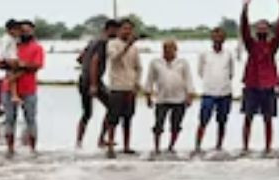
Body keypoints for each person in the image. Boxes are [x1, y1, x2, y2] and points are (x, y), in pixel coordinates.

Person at [240, 0, 279, 154]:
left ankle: (268, 148)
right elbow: (244, 29)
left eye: (264, 26)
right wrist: (245, 7)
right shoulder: (251, 45)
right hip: (252, 85)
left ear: (268, 30)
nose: (261, 28)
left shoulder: (272, 45)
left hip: (268, 86)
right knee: (248, 117)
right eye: (258, 26)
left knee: (268, 119)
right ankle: (245, 147)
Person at [0, 20, 44, 154]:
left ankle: (33, 148)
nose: (24, 33)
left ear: (32, 32)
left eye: (27, 30)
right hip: (8, 88)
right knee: (9, 119)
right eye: (22, 30)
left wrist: (20, 66)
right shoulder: (12, 44)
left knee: (30, 119)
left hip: (28, 89)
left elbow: (36, 66)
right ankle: (10, 148)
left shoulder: (37, 48)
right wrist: (17, 65)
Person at [144, 39, 194, 155]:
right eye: (165, 48)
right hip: (162, 99)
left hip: (179, 99)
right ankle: (156, 147)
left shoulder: (183, 62)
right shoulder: (155, 62)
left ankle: (171, 146)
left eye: (171, 48)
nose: (167, 51)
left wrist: (190, 95)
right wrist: (148, 95)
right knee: (158, 124)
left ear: (176, 50)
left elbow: (188, 79)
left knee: (176, 125)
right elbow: (149, 80)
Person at [102, 19, 142, 156]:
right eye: (125, 29)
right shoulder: (112, 44)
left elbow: (138, 67)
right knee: (113, 119)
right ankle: (110, 146)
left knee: (128, 118)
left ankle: (126, 146)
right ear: (119, 30)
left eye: (130, 29)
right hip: (116, 87)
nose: (127, 31)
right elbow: (114, 58)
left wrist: (137, 84)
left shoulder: (135, 49)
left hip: (130, 87)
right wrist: (127, 46)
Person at [76, 19, 118, 147]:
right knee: (112, 107)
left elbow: (80, 58)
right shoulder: (103, 43)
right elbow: (95, 61)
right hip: (92, 80)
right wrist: (94, 84)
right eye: (115, 30)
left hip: (83, 78)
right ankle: (101, 139)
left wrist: (85, 67)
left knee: (87, 113)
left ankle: (79, 142)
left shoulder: (93, 41)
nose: (117, 33)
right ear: (109, 29)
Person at [196, 26, 236, 152]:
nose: (218, 39)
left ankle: (219, 146)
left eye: (221, 37)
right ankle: (197, 146)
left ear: (224, 39)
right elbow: (200, 71)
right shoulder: (204, 54)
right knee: (203, 121)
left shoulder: (228, 54)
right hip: (208, 92)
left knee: (222, 121)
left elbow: (231, 73)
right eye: (215, 36)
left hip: (225, 92)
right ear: (211, 38)